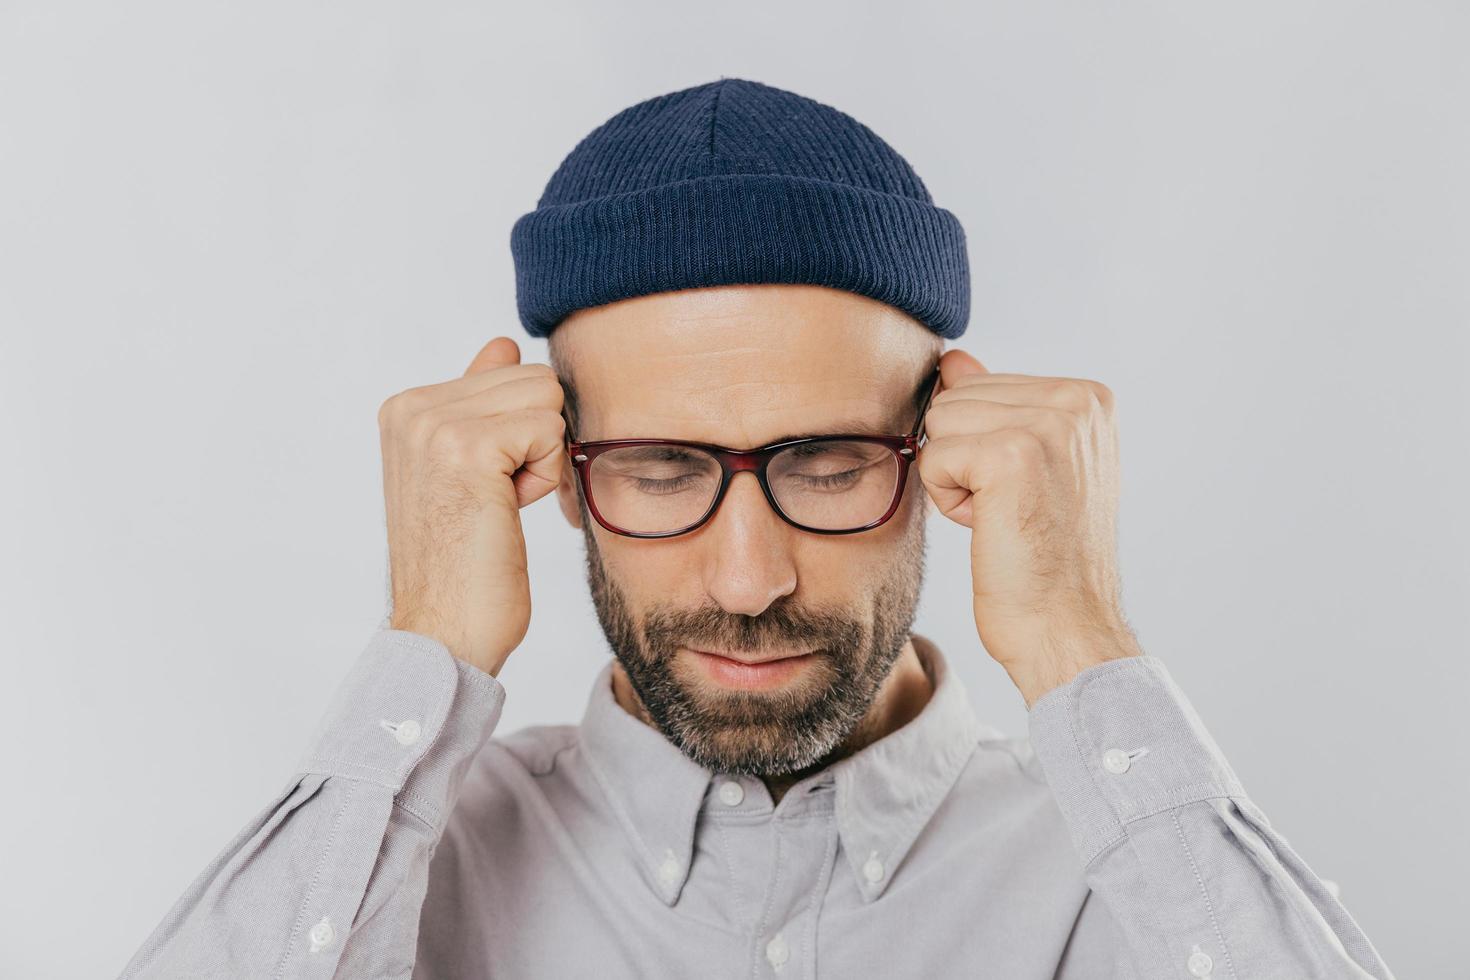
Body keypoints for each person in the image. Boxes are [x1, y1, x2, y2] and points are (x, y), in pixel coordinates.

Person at [118, 77, 1396, 980]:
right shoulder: (392, 857)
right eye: (663, 468)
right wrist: (427, 642)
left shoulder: (1137, 868)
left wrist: (1079, 635)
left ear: (947, 443)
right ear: (556, 471)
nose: (748, 577)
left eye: (831, 463)